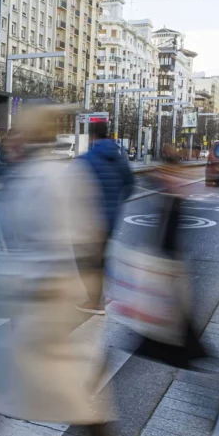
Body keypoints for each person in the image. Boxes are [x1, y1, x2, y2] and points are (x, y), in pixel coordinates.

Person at [0, 102, 120, 436]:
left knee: (4, 388)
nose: (9, 140)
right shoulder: (39, 175)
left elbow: (72, 239)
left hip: (43, 303)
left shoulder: (46, 178)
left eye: (17, 133)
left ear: (30, 138)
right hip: (39, 300)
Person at [75, 121, 134, 315]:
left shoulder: (87, 160)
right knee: (100, 257)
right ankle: (101, 295)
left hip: (89, 221)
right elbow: (130, 185)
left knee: (85, 261)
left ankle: (95, 301)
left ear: (91, 137)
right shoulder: (119, 158)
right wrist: (115, 204)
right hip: (110, 220)